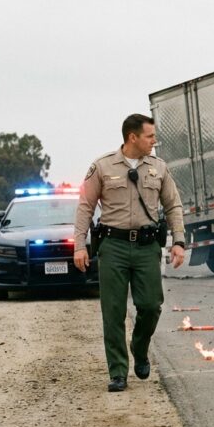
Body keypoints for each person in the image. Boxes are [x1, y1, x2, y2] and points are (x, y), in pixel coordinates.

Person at [74, 114, 186, 392]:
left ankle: (139, 346)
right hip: (113, 246)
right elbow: (85, 206)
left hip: (147, 246)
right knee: (112, 311)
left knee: (150, 306)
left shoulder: (159, 168)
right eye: (150, 136)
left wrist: (179, 241)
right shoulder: (102, 166)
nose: (154, 141)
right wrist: (79, 245)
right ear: (132, 137)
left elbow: (173, 206)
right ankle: (118, 372)